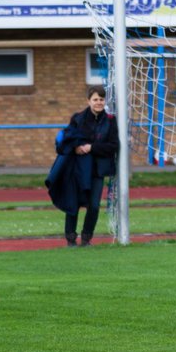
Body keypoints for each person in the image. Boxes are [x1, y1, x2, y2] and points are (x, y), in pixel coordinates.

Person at [46, 85, 120, 246]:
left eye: (101, 99)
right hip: (77, 169)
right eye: (95, 99)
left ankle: (87, 238)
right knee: (73, 202)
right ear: (88, 101)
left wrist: (91, 147)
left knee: (94, 205)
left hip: (98, 170)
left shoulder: (110, 121)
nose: (98, 102)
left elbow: (113, 146)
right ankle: (70, 238)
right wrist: (75, 147)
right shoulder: (78, 118)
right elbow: (67, 139)